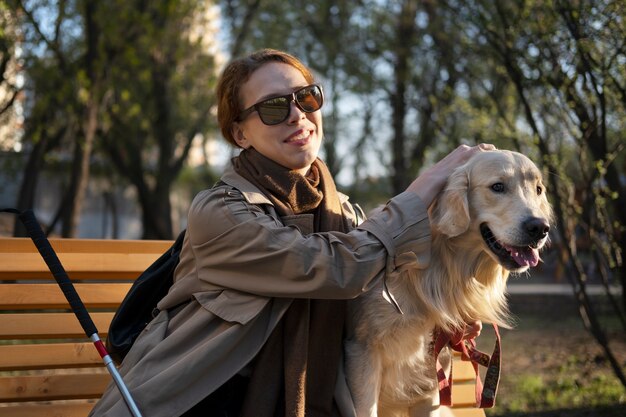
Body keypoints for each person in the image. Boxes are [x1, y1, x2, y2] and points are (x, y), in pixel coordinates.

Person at [89, 48, 489, 417]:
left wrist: (445, 312)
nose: (298, 115)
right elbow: (333, 267)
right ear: (240, 133)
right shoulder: (219, 211)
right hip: (197, 401)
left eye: (307, 98)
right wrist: (422, 190)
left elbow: (376, 301)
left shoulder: (345, 212)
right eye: (273, 108)